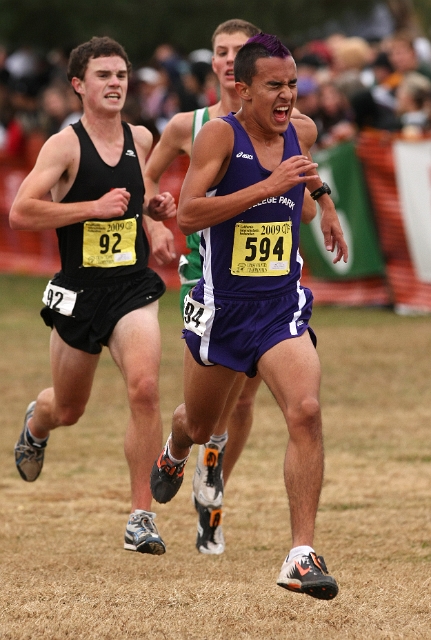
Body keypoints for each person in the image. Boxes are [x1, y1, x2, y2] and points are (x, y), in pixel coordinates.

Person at [150, 33, 348, 600]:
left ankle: (301, 555)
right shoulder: (219, 135)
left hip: (280, 304)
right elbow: (189, 212)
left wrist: (327, 207)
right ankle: (175, 450)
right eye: (274, 87)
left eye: (292, 85)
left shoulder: (301, 131)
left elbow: (307, 171)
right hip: (221, 310)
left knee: (305, 411)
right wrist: (267, 186)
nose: (288, 97)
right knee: (201, 422)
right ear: (243, 89)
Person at [9, 36, 176, 556]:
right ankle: (37, 423)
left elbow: (139, 202)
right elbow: (21, 212)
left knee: (145, 389)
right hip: (80, 293)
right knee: (69, 408)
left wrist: (156, 220)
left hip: (132, 287)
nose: (115, 84)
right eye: (104, 76)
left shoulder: (142, 139)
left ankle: (140, 517)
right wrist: (90, 209)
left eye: (122, 75)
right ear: (78, 84)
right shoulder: (63, 145)